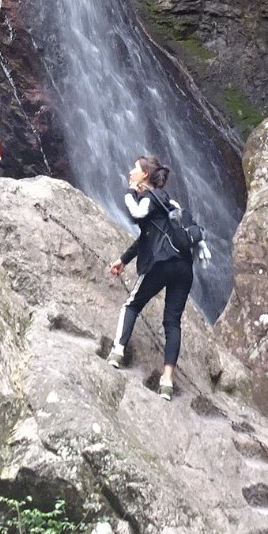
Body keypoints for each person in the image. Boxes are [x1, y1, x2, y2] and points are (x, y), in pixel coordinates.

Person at [107, 155, 197, 400]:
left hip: (162, 263)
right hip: (184, 266)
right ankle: (166, 382)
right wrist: (124, 259)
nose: (130, 172)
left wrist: (128, 193)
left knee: (132, 305)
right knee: (172, 322)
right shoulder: (168, 201)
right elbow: (148, 235)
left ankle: (117, 352)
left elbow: (137, 215)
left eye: (134, 169)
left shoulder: (149, 198)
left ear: (144, 174)